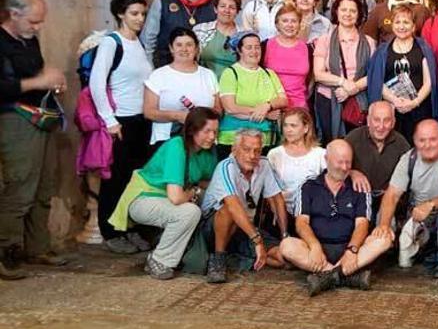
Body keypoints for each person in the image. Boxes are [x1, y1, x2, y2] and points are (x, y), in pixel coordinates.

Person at [0, 0, 67, 279]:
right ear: (13, 14)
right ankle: (7, 253)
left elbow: (34, 72)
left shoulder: (28, 39)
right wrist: (39, 81)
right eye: (33, 21)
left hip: (40, 118)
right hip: (15, 119)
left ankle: (37, 247)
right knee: (20, 187)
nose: (38, 27)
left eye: (41, 22)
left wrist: (51, 78)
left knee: (43, 185)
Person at [108, 108, 219, 280]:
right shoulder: (177, 146)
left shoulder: (208, 151)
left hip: (173, 197)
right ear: (191, 130)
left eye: (215, 132)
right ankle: (159, 260)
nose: (212, 137)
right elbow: (176, 198)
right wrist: (195, 191)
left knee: (217, 201)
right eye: (207, 131)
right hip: (145, 198)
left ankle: (213, 255)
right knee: (189, 212)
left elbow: (207, 181)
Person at [280, 139, 391, 296]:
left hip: (350, 248)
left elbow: (362, 225)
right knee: (287, 245)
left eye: (348, 163)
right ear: (326, 160)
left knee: (384, 240)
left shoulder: (359, 186)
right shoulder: (309, 186)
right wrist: (315, 246)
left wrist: (351, 250)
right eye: (340, 162)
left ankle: (327, 276)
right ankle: (345, 276)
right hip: (318, 249)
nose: (345, 167)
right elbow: (301, 223)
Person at [91, 0, 154, 255]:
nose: (140, 19)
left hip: (142, 119)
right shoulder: (111, 43)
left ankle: (130, 227)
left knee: (134, 178)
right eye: (134, 14)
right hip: (122, 121)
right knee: (115, 179)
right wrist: (109, 120)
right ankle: (110, 231)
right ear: (120, 14)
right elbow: (97, 81)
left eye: (142, 14)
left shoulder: (137, 43)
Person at [371, 120, 438, 276]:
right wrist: (384, 225)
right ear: (415, 141)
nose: (427, 145)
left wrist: (431, 205)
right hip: (416, 214)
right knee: (383, 216)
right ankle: (383, 256)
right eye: (422, 140)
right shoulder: (409, 159)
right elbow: (392, 194)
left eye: (433, 139)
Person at [201, 128, 289, 283]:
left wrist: (284, 236)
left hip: (245, 228)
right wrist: (257, 240)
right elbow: (233, 207)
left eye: (257, 150)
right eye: (246, 149)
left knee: (283, 258)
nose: (252, 156)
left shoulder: (264, 164)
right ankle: (219, 259)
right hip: (213, 228)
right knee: (229, 210)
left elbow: (277, 199)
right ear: (234, 150)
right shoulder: (226, 166)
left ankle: (235, 258)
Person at [366, 4, 438, 144]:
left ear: (413, 26)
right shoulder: (383, 51)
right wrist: (395, 101)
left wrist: (414, 102)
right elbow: (377, 81)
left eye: (406, 22)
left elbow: (429, 82)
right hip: (392, 110)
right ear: (392, 25)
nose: (402, 26)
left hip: (419, 109)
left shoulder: (423, 48)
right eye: (398, 22)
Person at [143, 27, 220, 147]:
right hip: (168, 140)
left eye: (189, 45)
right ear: (171, 48)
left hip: (205, 140)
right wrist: (178, 116)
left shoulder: (208, 75)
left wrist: (199, 116)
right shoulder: (158, 75)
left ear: (196, 48)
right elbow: (149, 112)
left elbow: (218, 110)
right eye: (179, 45)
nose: (184, 49)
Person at [313, 0, 375, 143]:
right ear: (336, 12)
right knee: (331, 143)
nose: (348, 14)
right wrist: (342, 82)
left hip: (359, 102)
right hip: (328, 98)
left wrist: (352, 88)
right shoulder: (324, 40)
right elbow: (318, 74)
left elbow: (373, 74)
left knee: (357, 144)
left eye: (353, 11)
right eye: (344, 10)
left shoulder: (369, 42)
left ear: (359, 14)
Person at [217, 31, 288, 159]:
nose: (254, 51)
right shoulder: (230, 73)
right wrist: (265, 113)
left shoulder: (269, 73)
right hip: (234, 139)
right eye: (249, 47)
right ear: (239, 50)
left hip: (265, 139)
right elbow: (230, 108)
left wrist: (267, 105)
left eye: (257, 47)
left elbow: (283, 100)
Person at [141, 0, 216, 67]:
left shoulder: (213, 2)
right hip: (166, 66)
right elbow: (148, 40)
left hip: (202, 68)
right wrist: (150, 69)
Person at [267, 109, 326, 220]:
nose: (288, 130)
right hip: (283, 212)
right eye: (285, 125)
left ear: (306, 128)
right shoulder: (275, 154)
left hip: (313, 213)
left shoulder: (320, 154)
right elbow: (269, 189)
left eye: (293, 126)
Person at [345, 101, 411, 198]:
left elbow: (410, 178)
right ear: (368, 121)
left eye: (387, 120)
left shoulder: (402, 144)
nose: (381, 126)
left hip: (390, 201)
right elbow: (333, 167)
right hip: (358, 200)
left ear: (393, 123)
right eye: (376, 120)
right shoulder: (353, 139)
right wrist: (352, 173)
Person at [262, 4, 310, 109]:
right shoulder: (265, 46)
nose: (289, 25)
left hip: (299, 107)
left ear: (299, 24)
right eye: (285, 21)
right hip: (272, 106)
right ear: (277, 24)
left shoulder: (307, 49)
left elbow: (311, 80)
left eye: (293, 21)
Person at [194, 0, 245, 80]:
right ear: (215, 9)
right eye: (222, 6)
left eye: (232, 7)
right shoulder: (200, 30)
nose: (227, 10)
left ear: (237, 12)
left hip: (235, 86)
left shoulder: (245, 35)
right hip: (204, 84)